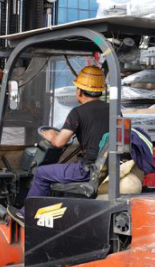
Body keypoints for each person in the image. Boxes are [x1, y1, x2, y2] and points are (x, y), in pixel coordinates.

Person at [28, 65, 109, 198]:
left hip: (86, 170)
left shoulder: (77, 112)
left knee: (41, 173)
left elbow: (59, 142)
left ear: (79, 91)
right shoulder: (114, 111)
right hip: (104, 168)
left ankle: (28, 210)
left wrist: (51, 136)